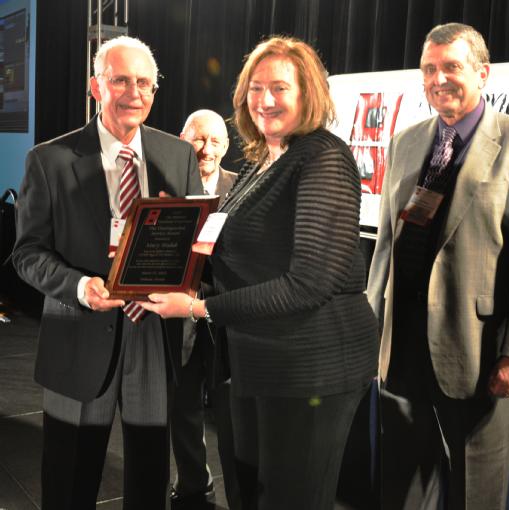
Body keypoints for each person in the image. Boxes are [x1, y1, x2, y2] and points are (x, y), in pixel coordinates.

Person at [141, 35, 379, 510]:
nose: (265, 100)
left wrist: (198, 307)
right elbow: (234, 249)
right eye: (255, 87)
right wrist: (169, 231)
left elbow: (310, 283)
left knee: (291, 499)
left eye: (279, 88)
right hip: (256, 361)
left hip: (310, 367)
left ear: (308, 93)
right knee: (250, 493)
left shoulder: (323, 158)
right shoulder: (263, 157)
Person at [366, 22, 509, 510]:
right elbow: (388, 246)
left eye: (451, 67)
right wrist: (373, 328)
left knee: (476, 491)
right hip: (405, 346)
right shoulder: (407, 142)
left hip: (479, 353)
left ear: (482, 72)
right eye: (429, 69)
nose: (438, 79)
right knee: (401, 487)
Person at [12, 36, 202, 510]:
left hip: (153, 335)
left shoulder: (177, 157)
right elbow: (27, 253)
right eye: (121, 80)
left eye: (144, 83)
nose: (134, 93)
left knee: (148, 478)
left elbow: (196, 246)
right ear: (96, 86)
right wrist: (78, 286)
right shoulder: (49, 160)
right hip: (78, 333)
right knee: (69, 480)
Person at [170, 109, 239, 510]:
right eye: (199, 139)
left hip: (224, 316)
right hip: (179, 314)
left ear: (226, 147)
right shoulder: (165, 184)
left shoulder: (242, 186)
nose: (206, 149)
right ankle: (194, 485)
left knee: (230, 413)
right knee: (183, 407)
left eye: (215, 141)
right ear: (183, 138)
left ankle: (239, 494)